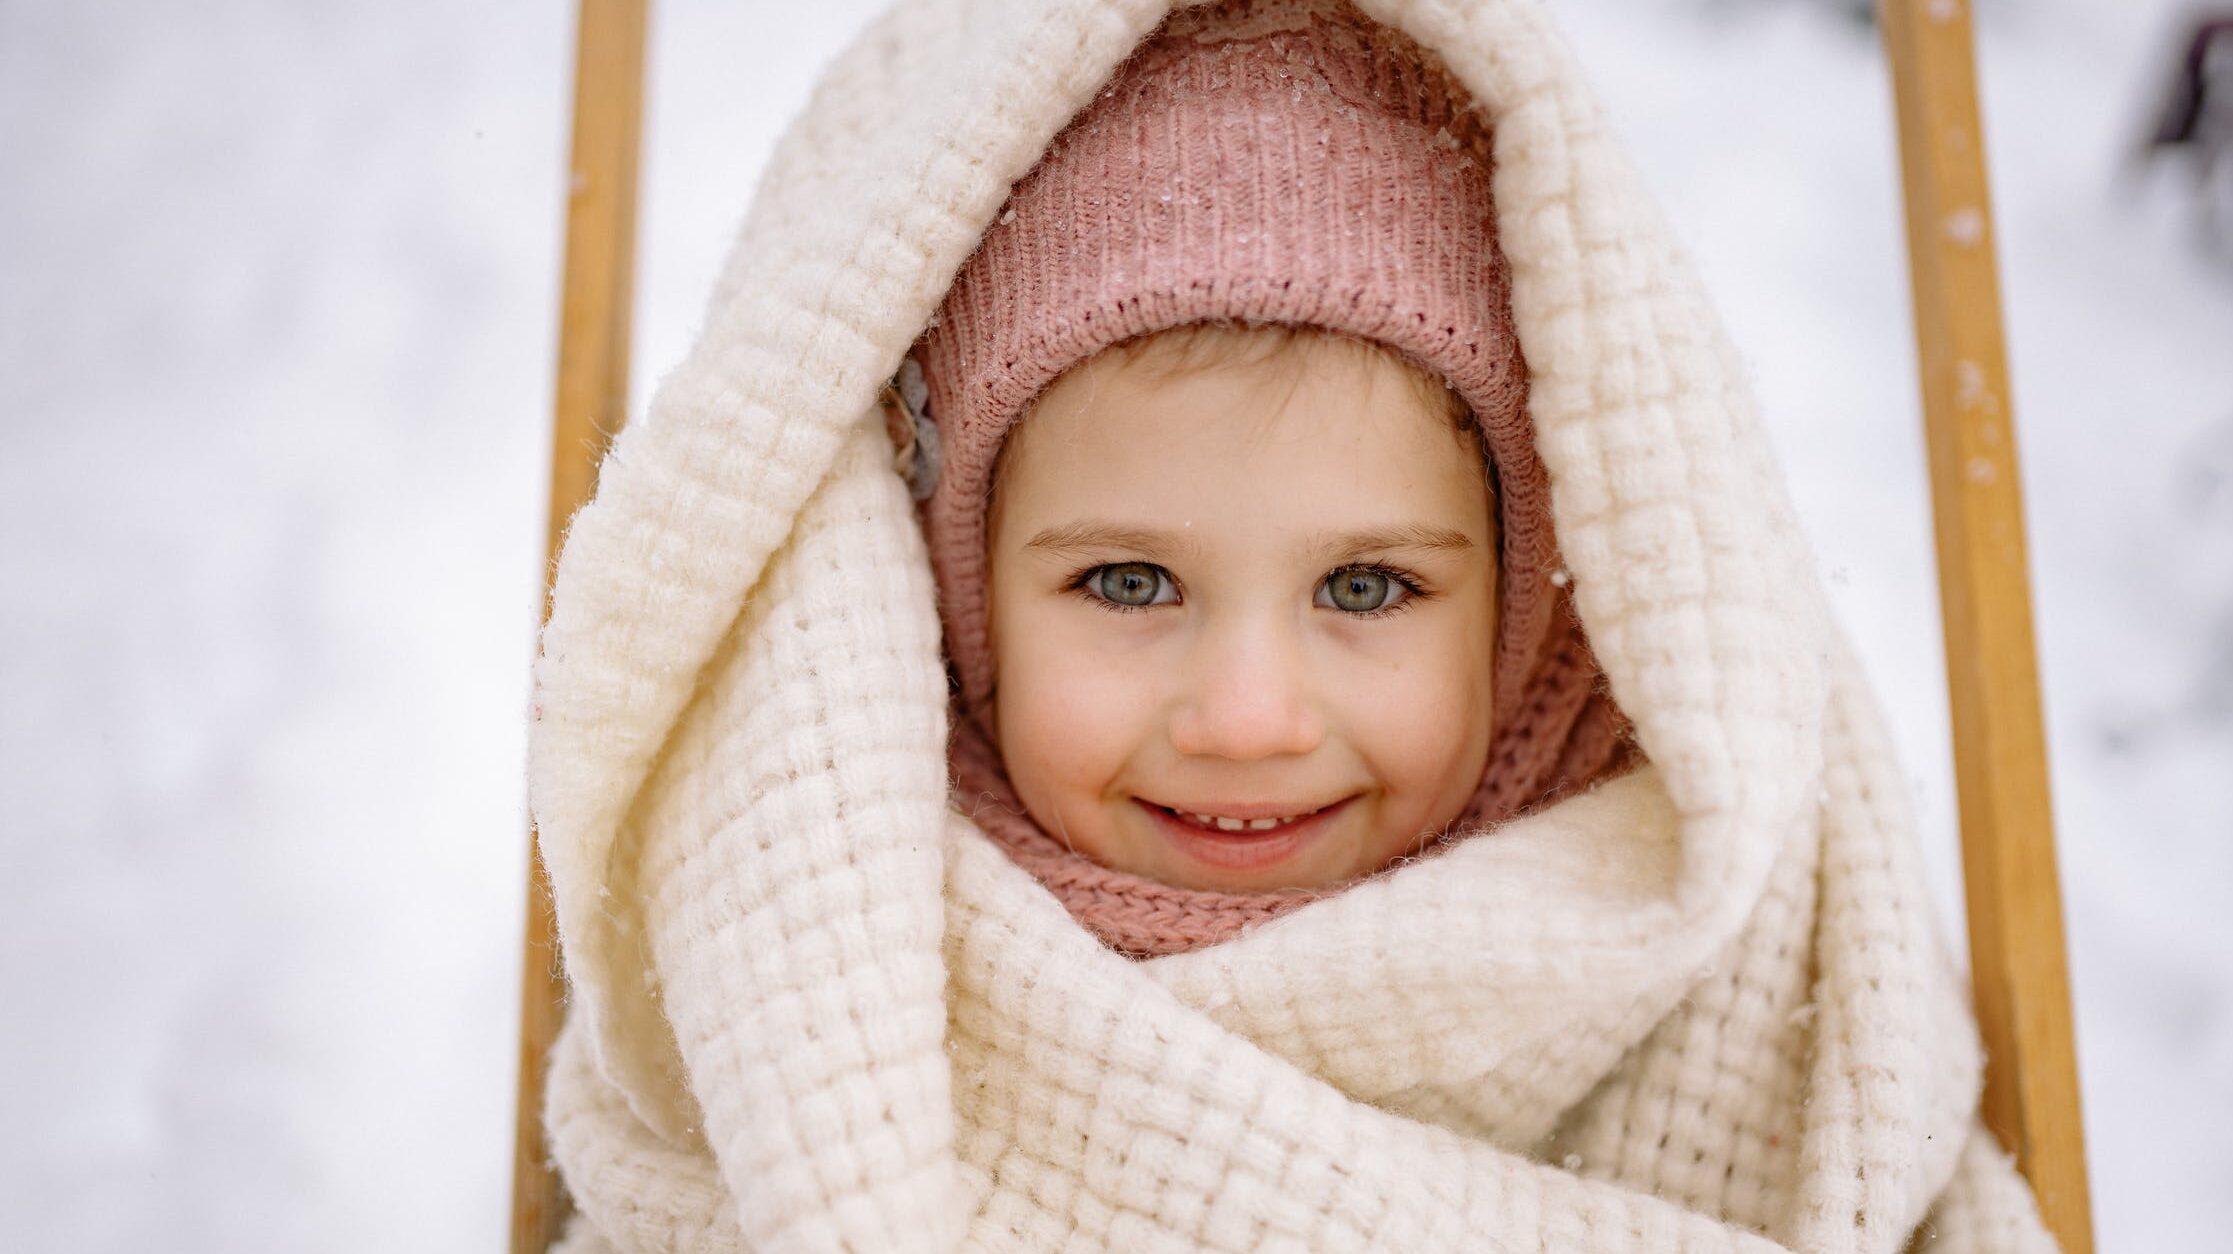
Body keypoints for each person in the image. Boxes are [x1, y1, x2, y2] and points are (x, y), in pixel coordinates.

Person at [528, 1, 2060, 1249]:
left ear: (1536, 594)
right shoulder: (817, 955)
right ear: (951, 589)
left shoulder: (1695, 940)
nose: (1248, 715)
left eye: (1366, 586)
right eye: (1126, 584)